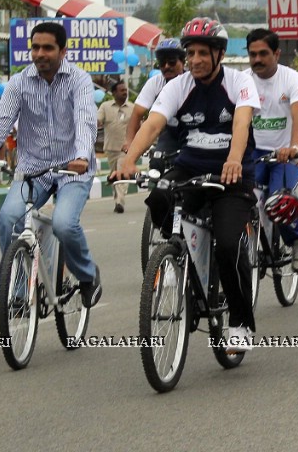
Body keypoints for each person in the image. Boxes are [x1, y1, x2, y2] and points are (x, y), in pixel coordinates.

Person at [113, 17, 261, 351]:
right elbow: (153, 124)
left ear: (219, 55)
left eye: (202, 53)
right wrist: (130, 160)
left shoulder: (240, 82)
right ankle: (180, 257)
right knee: (158, 202)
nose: (194, 60)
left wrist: (234, 159)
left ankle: (240, 323)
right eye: (190, 53)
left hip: (232, 175)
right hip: (189, 167)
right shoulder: (178, 85)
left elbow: (241, 123)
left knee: (227, 245)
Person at [0, 21, 103, 309]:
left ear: (63, 51)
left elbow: (85, 121)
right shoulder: (19, 82)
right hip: (34, 169)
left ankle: (88, 275)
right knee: (9, 218)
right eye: (35, 47)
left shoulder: (79, 80)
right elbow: (2, 122)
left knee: (64, 225)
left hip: (72, 169)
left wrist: (81, 155)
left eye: (48, 48)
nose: (40, 53)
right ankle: (16, 291)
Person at [244, 28, 298, 270]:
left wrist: (294, 147)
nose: (257, 60)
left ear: (276, 53)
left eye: (263, 54)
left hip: (286, 155)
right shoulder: (243, 81)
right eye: (252, 55)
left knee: (278, 201)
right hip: (254, 154)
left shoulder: (293, 80)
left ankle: (297, 242)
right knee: (240, 200)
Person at [127, 38, 186, 159]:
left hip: (193, 132)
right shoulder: (154, 82)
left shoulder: (193, 81)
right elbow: (137, 113)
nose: (166, 66)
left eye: (172, 62)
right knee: (157, 160)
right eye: (161, 63)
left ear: (183, 62)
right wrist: (129, 142)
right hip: (170, 133)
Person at [97, 80, 133, 213]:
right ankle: (117, 198)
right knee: (114, 175)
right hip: (111, 148)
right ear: (114, 93)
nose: (125, 92)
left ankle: (120, 202)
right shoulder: (105, 106)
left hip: (126, 149)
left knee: (121, 174)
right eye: (122, 90)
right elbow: (98, 119)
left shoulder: (132, 107)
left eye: (125, 90)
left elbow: (137, 126)